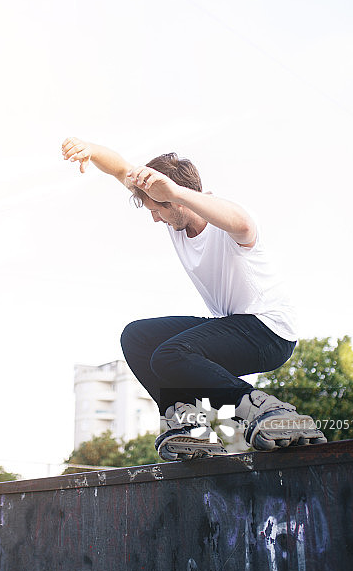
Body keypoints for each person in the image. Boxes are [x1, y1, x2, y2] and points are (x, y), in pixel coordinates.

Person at [62, 136, 326, 460]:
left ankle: (262, 408)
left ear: (178, 199)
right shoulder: (175, 224)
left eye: (158, 208)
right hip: (234, 326)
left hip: (270, 331)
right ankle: (190, 427)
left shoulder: (223, 221)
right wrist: (89, 149)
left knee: (169, 355)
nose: (155, 218)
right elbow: (120, 168)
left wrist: (173, 192)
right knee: (137, 337)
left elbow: (243, 223)